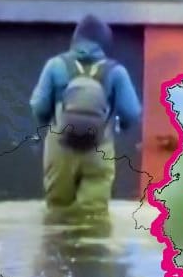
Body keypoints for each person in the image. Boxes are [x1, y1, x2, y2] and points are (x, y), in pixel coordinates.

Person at [29, 14, 144, 210]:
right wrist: (121, 126)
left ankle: (57, 241)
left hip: (60, 147)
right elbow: (132, 112)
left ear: (75, 39)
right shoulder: (116, 71)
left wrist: (45, 124)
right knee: (94, 215)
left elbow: (38, 106)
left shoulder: (56, 65)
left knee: (57, 210)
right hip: (99, 148)